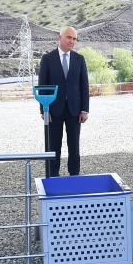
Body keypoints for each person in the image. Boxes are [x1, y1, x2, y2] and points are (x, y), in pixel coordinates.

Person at [38, 26, 89, 176]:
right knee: (53, 145)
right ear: (59, 37)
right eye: (69, 37)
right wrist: (44, 109)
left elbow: (84, 86)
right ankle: (53, 176)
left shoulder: (79, 59)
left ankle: (74, 176)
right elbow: (42, 86)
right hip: (53, 111)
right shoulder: (47, 59)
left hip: (75, 110)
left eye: (74, 39)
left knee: (74, 146)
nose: (72, 41)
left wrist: (84, 110)